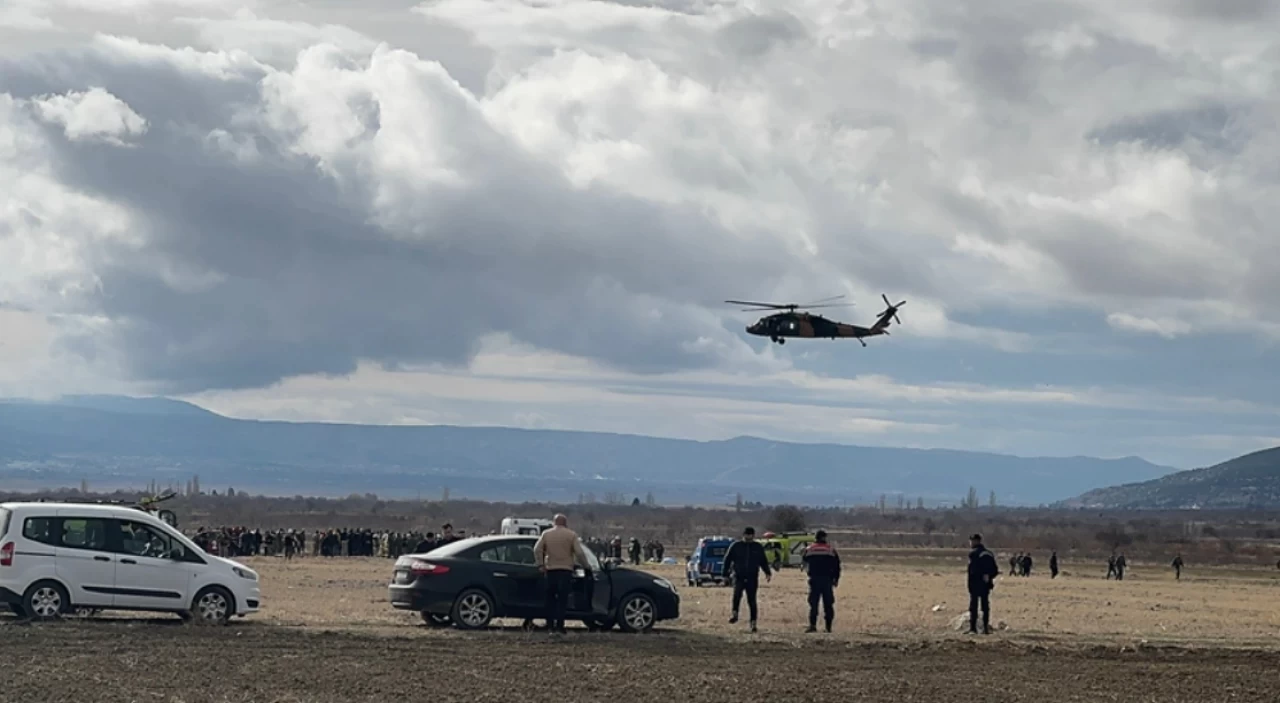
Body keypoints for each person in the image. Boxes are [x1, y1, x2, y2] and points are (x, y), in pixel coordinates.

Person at [533, 514, 590, 636]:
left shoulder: (546, 534)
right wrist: (586, 566)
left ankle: (549, 626)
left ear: (554, 522)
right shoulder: (571, 535)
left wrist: (540, 565)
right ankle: (560, 626)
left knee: (550, 599)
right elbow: (579, 553)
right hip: (565, 571)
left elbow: (537, 549)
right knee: (562, 600)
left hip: (550, 570)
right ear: (565, 522)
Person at [723, 526, 772, 633]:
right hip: (738, 576)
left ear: (753, 536)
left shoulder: (757, 547)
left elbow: (763, 561)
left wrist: (767, 572)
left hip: (752, 577)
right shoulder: (736, 546)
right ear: (743, 535)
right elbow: (727, 560)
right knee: (736, 595)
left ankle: (753, 623)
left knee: (752, 600)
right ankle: (735, 614)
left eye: (750, 535)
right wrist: (725, 574)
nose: (748, 537)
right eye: (747, 535)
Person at [801, 529, 840, 633]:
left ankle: (812, 626)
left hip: (814, 579)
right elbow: (837, 566)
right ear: (824, 537)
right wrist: (836, 579)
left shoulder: (809, 549)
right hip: (827, 580)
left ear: (815, 538)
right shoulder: (830, 550)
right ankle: (828, 627)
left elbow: (804, 562)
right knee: (828, 604)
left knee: (813, 603)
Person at [966, 533, 999, 635]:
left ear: (975, 541)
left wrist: (971, 583)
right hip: (986, 584)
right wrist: (988, 577)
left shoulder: (973, 554)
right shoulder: (989, 554)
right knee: (985, 606)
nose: (970, 543)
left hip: (975, 584)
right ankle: (985, 628)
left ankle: (973, 628)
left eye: (971, 541)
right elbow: (995, 570)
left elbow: (972, 571)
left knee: (974, 606)